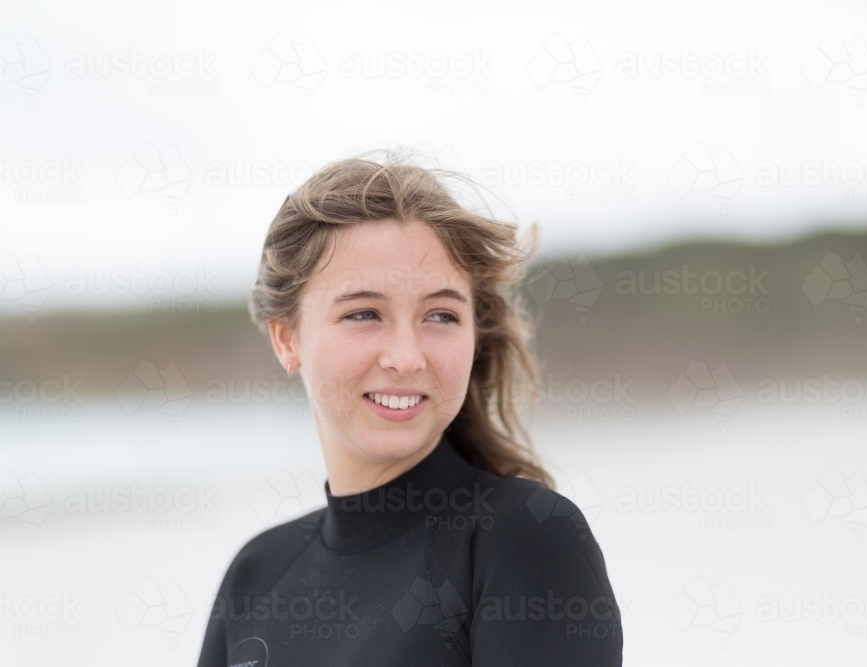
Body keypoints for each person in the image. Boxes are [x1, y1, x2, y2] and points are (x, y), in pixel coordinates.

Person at [195, 153, 623, 666]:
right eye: (364, 313)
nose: (406, 357)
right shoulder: (256, 575)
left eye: (440, 315)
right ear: (287, 339)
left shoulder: (524, 540)